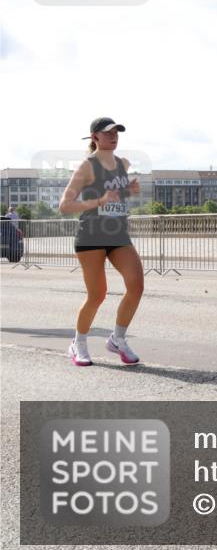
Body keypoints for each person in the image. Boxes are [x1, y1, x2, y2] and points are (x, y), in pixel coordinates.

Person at [59, 117, 143, 367]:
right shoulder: (87, 166)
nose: (114, 136)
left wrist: (130, 190)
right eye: (108, 133)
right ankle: (79, 343)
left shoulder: (122, 163)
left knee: (136, 286)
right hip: (91, 234)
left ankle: (117, 339)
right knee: (97, 295)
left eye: (117, 132)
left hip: (118, 234)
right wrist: (98, 201)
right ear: (95, 137)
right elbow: (65, 205)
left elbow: (115, 194)